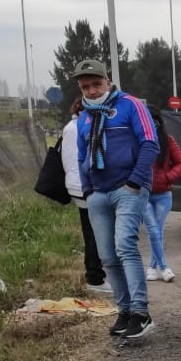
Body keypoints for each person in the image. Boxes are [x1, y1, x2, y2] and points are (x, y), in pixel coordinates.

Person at [73, 59, 159, 341]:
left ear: (107, 82)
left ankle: (140, 312)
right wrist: (88, 190)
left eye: (96, 84)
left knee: (125, 246)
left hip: (128, 188)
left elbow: (150, 142)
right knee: (107, 257)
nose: (92, 91)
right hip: (98, 193)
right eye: (86, 86)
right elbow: (82, 156)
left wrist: (136, 180)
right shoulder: (84, 117)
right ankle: (123, 311)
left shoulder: (130, 105)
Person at [60, 97, 111, 293]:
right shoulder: (80, 127)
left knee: (92, 231)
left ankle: (96, 273)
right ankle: (95, 277)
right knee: (94, 233)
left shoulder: (71, 126)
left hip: (77, 185)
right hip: (84, 185)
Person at [144, 105, 181, 283]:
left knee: (157, 231)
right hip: (143, 193)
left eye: (153, 121)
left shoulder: (168, 141)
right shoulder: (137, 140)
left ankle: (153, 267)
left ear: (158, 122)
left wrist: (168, 177)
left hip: (163, 195)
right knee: (153, 230)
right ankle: (163, 267)